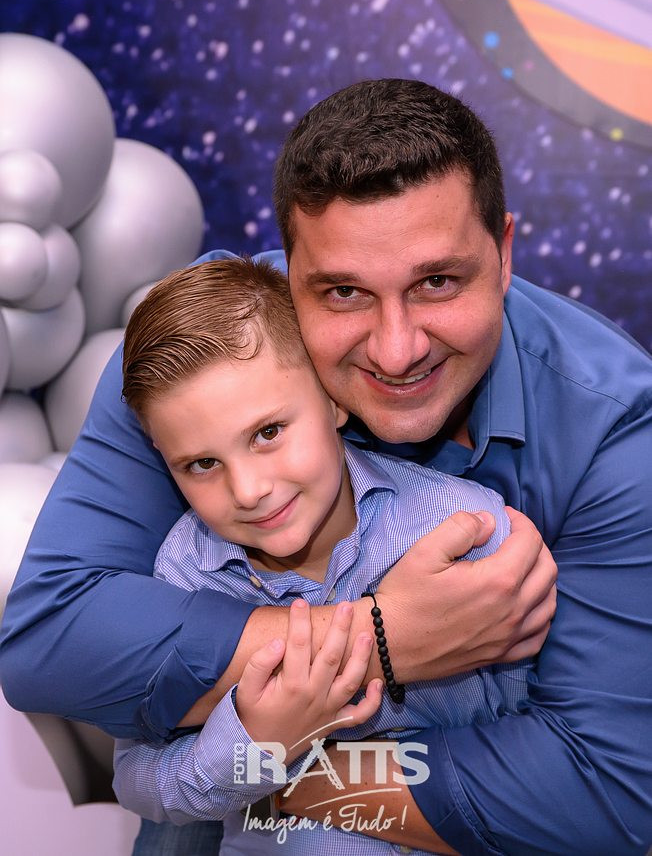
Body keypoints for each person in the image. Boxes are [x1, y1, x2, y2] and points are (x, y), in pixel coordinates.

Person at [1, 77, 650, 854]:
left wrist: (265, 770)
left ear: (504, 253)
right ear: (289, 273)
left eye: (438, 282)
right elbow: (50, 643)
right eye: (344, 291)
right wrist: (377, 639)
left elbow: (606, 794)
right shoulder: (211, 354)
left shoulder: (613, 432)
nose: (397, 349)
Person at [113, 256, 528, 855]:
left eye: (268, 433)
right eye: (202, 464)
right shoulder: (183, 573)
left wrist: (308, 767)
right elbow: (138, 780)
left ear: (333, 399)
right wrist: (258, 743)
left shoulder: (461, 527)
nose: (248, 490)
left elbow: (530, 746)